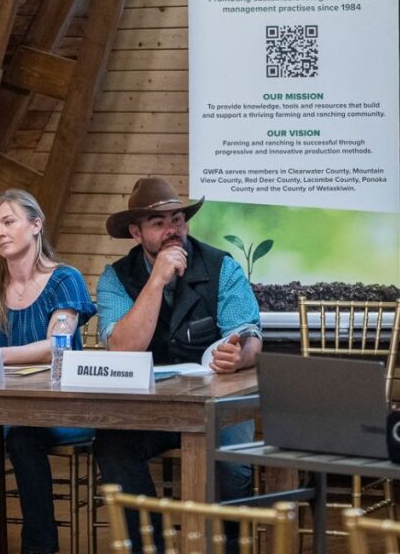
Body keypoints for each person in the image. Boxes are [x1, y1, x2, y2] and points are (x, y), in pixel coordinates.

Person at [93, 176, 262, 547]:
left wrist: (239, 356)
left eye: (178, 220)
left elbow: (252, 340)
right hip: (148, 411)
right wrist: (155, 281)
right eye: (160, 223)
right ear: (136, 232)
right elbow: (122, 349)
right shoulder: (115, 278)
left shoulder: (222, 267)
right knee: (113, 444)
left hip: (217, 405)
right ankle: (149, 545)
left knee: (231, 466)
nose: (173, 230)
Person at [0, 189, 96, 554]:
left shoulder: (65, 278)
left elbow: (55, 346)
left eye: (9, 222)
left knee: (23, 439)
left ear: (36, 225)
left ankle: (39, 547)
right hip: (0, 406)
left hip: (62, 405)